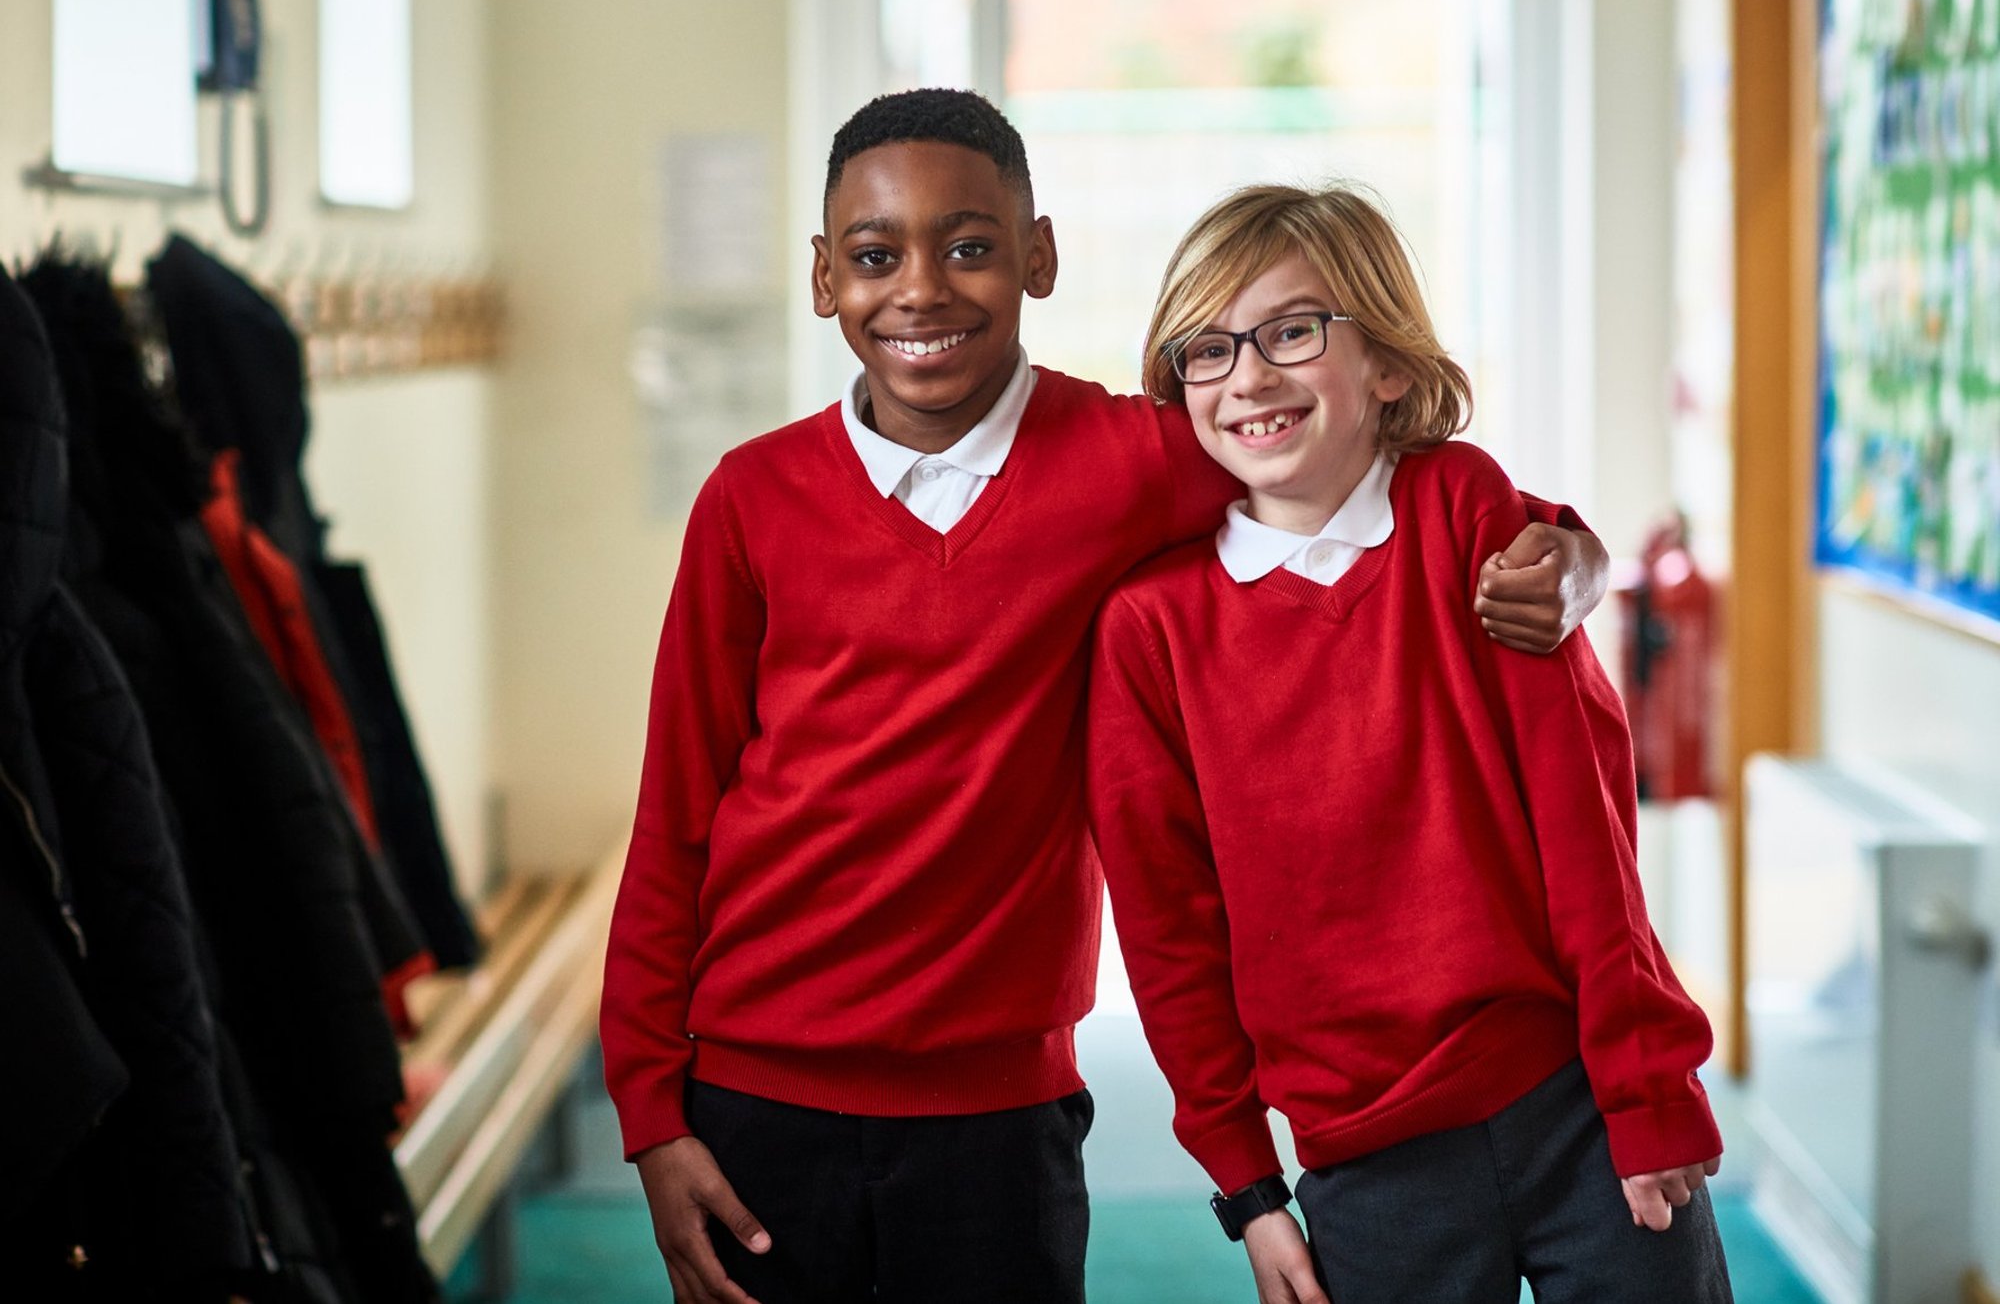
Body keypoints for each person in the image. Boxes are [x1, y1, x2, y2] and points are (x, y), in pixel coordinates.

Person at [600, 91, 1611, 1304]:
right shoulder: (748, 500)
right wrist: (652, 1112)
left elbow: (1352, 446)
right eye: (874, 257)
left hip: (999, 1106)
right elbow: (675, 816)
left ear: (1039, 256)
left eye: (969, 246)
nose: (920, 289)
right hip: (757, 1087)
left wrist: (1567, 551)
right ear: (824, 279)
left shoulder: (1143, 456)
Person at [1087, 183, 1732, 1304]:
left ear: (1385, 362)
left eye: (1291, 329)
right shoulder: (1150, 628)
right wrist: (1246, 1186)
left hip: (1575, 1099)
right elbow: (1166, 927)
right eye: (1207, 347)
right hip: (1362, 1152)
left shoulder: (1461, 509)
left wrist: (1645, 1082)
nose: (1247, 374)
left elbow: (1582, 819)